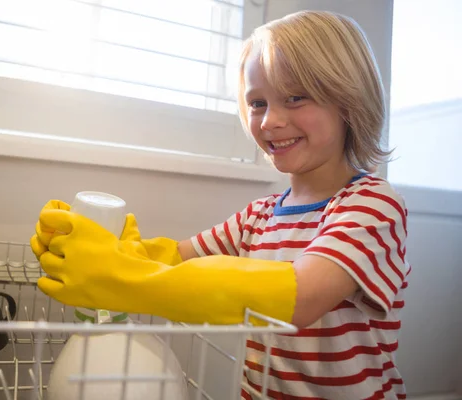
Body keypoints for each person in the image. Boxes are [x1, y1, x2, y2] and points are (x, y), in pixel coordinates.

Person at [31, 10, 409, 400]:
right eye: (258, 102)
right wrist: (107, 246)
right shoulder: (257, 216)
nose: (269, 121)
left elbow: (303, 296)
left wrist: (124, 279)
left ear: (348, 100)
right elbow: (176, 259)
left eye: (295, 97)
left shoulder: (372, 205)